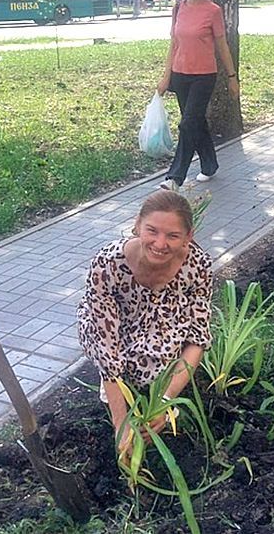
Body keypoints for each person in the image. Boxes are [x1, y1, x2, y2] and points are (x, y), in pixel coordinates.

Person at [77, 190, 213, 452]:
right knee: (116, 358)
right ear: (137, 225)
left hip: (163, 320)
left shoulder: (198, 266)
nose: (160, 244)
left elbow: (197, 338)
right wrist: (121, 424)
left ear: (188, 236)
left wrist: (164, 402)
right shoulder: (107, 265)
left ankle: (150, 386)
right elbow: (106, 347)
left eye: (173, 235)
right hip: (115, 323)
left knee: (153, 366)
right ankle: (116, 395)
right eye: (152, 231)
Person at [157, 0, 239, 191]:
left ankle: (174, 177)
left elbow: (222, 46)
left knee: (187, 124)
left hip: (204, 76)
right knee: (196, 123)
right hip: (180, 75)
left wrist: (232, 78)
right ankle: (210, 165)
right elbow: (173, 44)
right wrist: (166, 77)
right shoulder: (179, 8)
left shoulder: (213, 11)